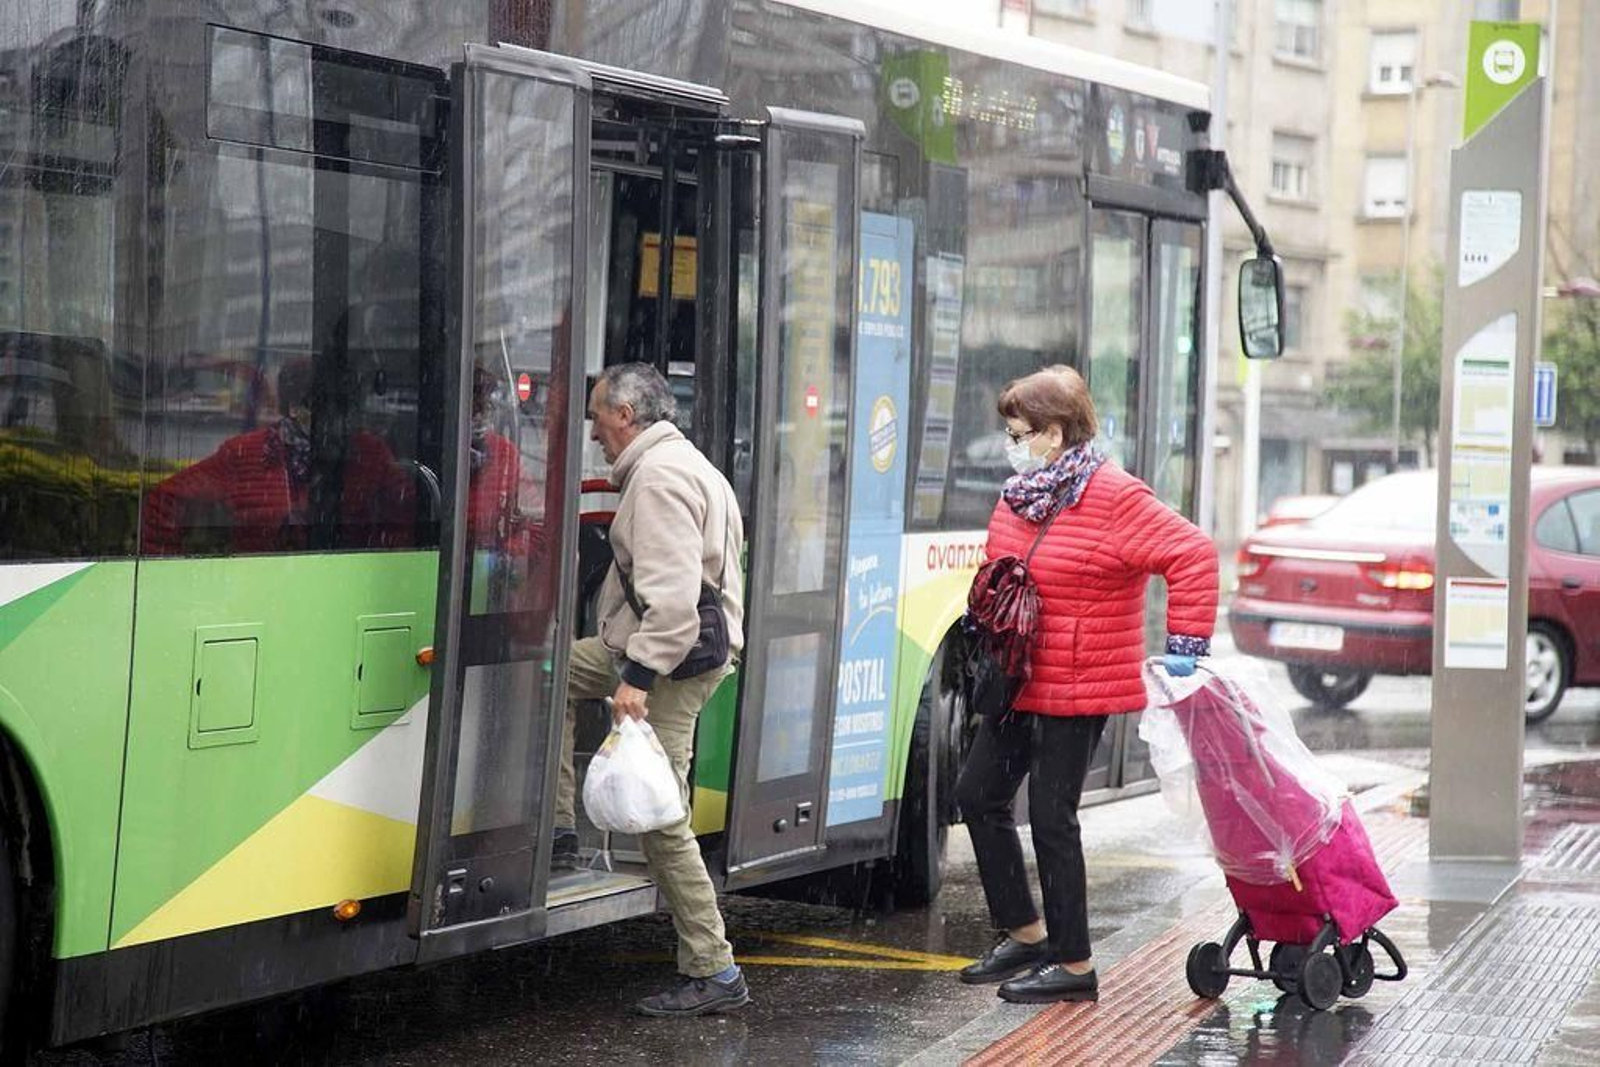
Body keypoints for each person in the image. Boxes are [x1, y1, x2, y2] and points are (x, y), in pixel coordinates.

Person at [956, 364, 1218, 1004]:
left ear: (1055, 431)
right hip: (1020, 675)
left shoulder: (1114, 493)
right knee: (977, 795)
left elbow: (1193, 554)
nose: (1012, 444)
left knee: (1051, 815)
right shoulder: (1023, 493)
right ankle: (1025, 932)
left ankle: (1075, 966)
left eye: (1020, 433)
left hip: (1082, 678)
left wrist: (1186, 646)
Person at [557, 362, 748, 1017]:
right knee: (555, 675)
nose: (593, 432)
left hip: (668, 666)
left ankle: (713, 966)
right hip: (646, 653)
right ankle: (559, 830)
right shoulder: (684, 463)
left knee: (660, 816)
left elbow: (672, 605)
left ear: (626, 416)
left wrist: (636, 679)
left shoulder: (661, 478)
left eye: (596, 417)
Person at [141, 357, 414, 555]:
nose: (335, 420)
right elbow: (163, 502)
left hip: (344, 590)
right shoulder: (244, 453)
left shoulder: (369, 453)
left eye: (343, 406)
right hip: (259, 593)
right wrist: (173, 577)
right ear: (292, 408)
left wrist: (376, 566)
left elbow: (403, 519)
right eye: (320, 405)